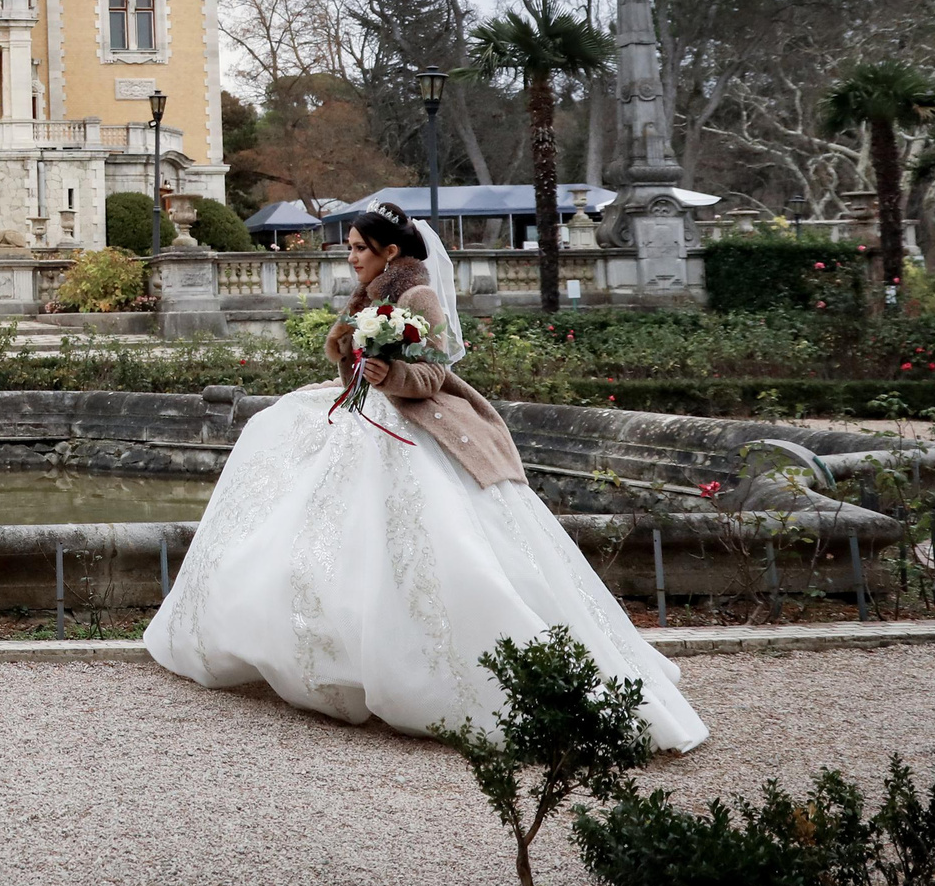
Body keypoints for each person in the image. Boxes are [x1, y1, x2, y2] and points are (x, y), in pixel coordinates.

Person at [143, 202, 705, 751]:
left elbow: (436, 371)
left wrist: (391, 373)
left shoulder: (418, 295)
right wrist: (351, 356)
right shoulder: (368, 295)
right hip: (365, 415)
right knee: (279, 443)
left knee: (433, 542)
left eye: (360, 249)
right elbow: (357, 366)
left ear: (390, 251)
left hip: (411, 422)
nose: (351, 259)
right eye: (350, 249)